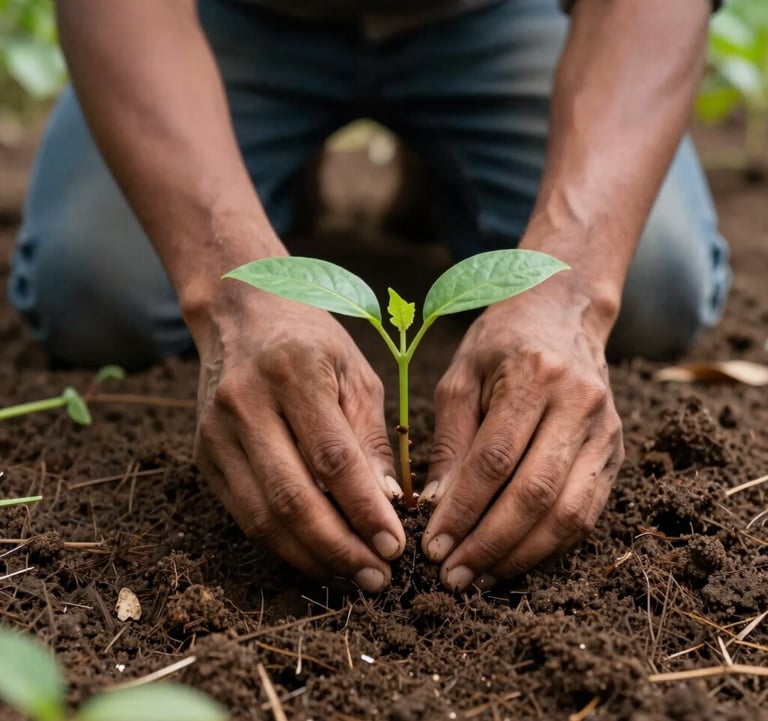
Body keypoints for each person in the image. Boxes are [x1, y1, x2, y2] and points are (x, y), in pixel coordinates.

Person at [9, 0, 730, 593]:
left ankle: (440, 174)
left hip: (503, 16)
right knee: (97, 290)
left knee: (653, 284)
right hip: (227, 21)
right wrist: (230, 288)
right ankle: (268, 184)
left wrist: (570, 284)